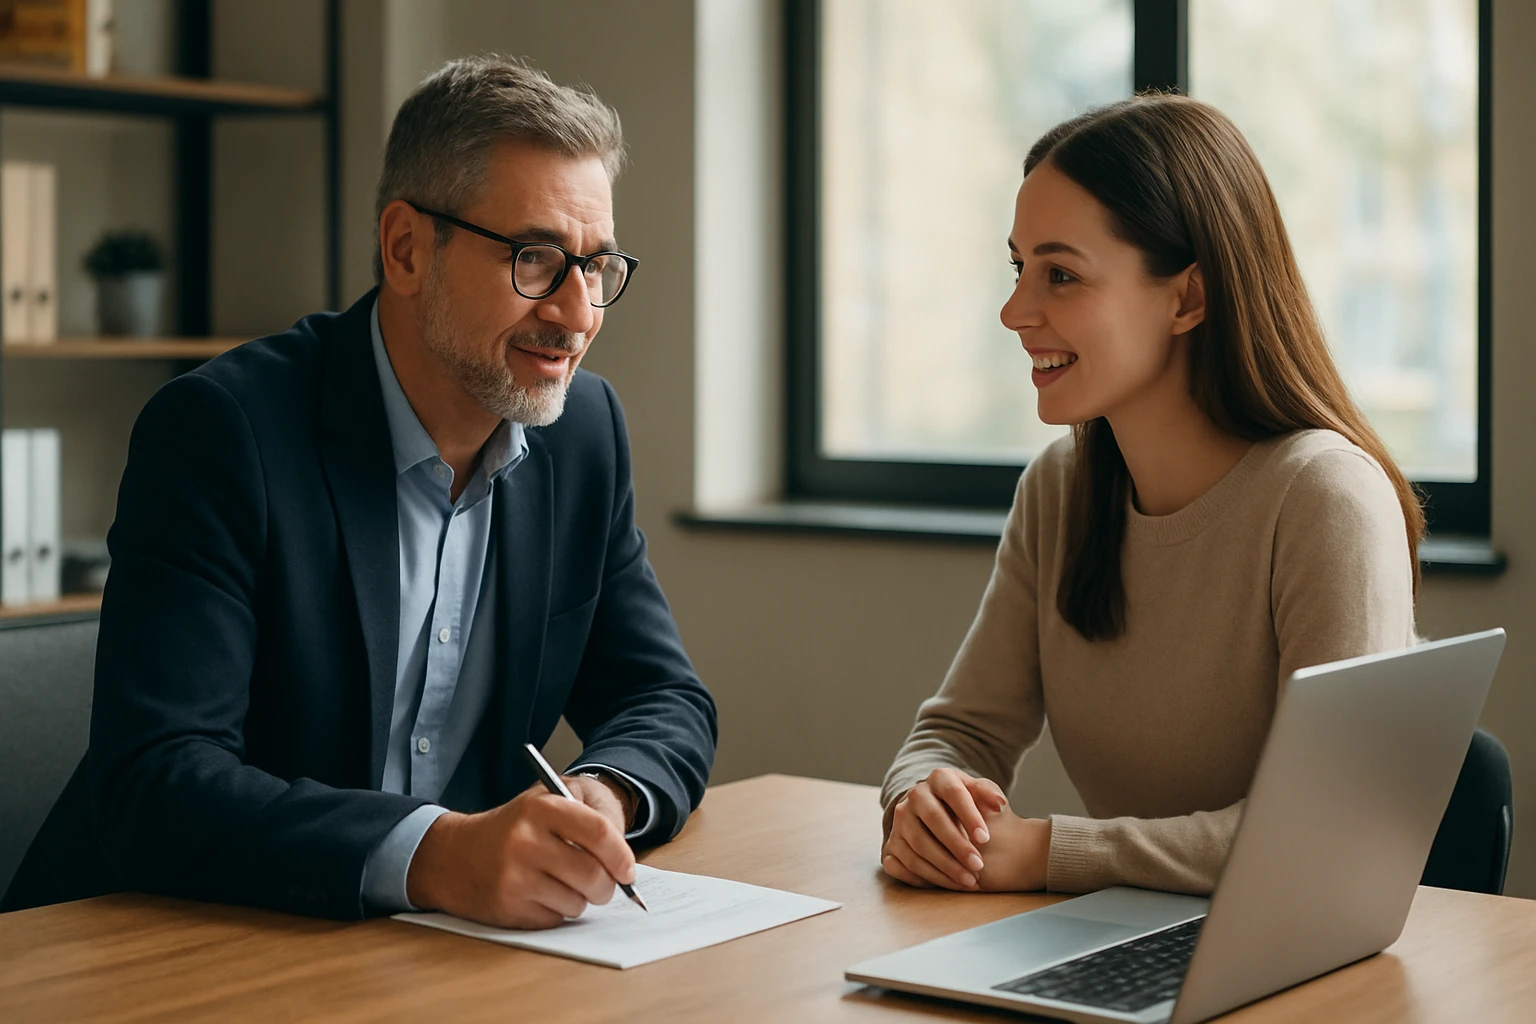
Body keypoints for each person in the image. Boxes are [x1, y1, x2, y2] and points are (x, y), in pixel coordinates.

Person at [2, 56, 717, 929]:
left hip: (425, 954)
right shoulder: (222, 432)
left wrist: (606, 795)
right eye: (536, 259)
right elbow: (158, 781)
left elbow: (662, 700)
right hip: (161, 947)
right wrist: (435, 853)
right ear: (408, 249)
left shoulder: (584, 433)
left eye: (596, 265)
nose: (576, 312)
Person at [880, 94, 1420, 898]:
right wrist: (924, 800)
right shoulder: (1058, 490)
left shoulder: (1325, 498)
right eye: (1018, 268)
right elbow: (959, 731)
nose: (1015, 311)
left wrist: (1045, 853)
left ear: (1187, 298)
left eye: (1060, 274)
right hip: (1130, 940)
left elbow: (1329, 832)